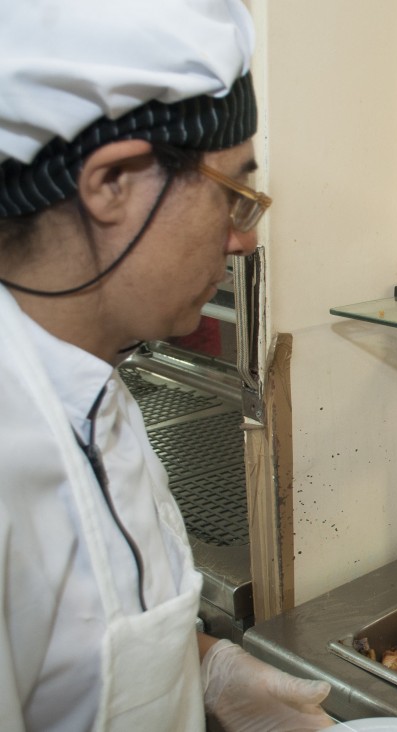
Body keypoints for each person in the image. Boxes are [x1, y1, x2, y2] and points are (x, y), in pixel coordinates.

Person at [0, 2, 333, 730]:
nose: (243, 241)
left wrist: (200, 665)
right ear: (112, 182)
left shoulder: (96, 380)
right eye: (234, 196)